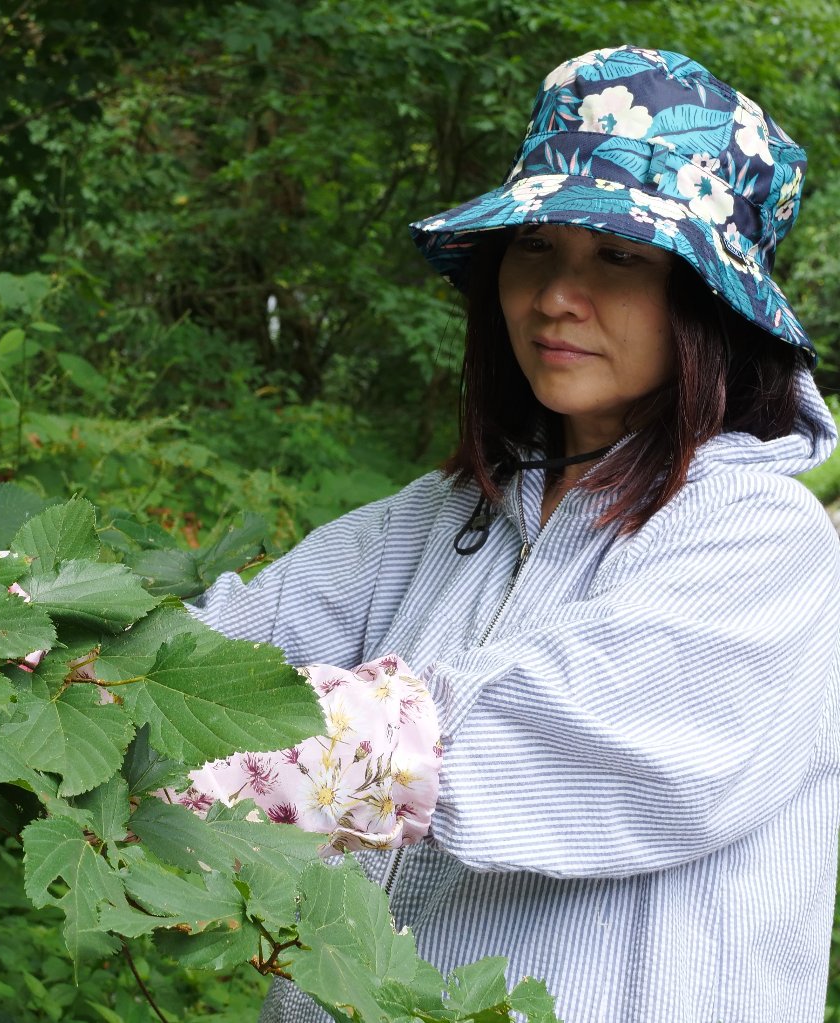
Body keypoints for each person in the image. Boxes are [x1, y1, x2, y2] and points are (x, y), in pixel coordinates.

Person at [190, 45, 840, 1022]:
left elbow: (536, 737)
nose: (551, 298)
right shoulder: (443, 517)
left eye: (618, 257)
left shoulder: (763, 544)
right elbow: (217, 652)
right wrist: (4, 658)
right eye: (535, 246)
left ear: (708, 302)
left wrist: (240, 770)